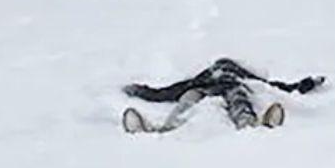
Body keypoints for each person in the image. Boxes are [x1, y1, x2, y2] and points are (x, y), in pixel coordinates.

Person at [121, 58, 323, 133]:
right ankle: (164, 129)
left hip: (233, 88)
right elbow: (168, 92)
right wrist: (140, 91)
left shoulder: (238, 78)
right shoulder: (201, 79)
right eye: (219, 68)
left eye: (226, 67)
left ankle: (253, 126)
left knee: (240, 100)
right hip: (202, 90)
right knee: (186, 101)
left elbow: (275, 86)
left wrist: (305, 84)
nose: (221, 70)